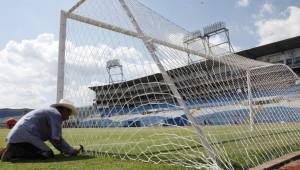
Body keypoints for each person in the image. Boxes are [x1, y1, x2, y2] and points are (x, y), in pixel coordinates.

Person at [0, 99, 83, 161]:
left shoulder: (51, 112)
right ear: (64, 109)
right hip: (25, 136)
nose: (68, 117)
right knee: (47, 154)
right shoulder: (56, 114)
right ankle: (11, 154)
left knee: (45, 152)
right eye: (69, 113)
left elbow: (53, 138)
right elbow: (56, 139)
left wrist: (68, 149)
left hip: (19, 136)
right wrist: (71, 151)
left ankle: (10, 150)